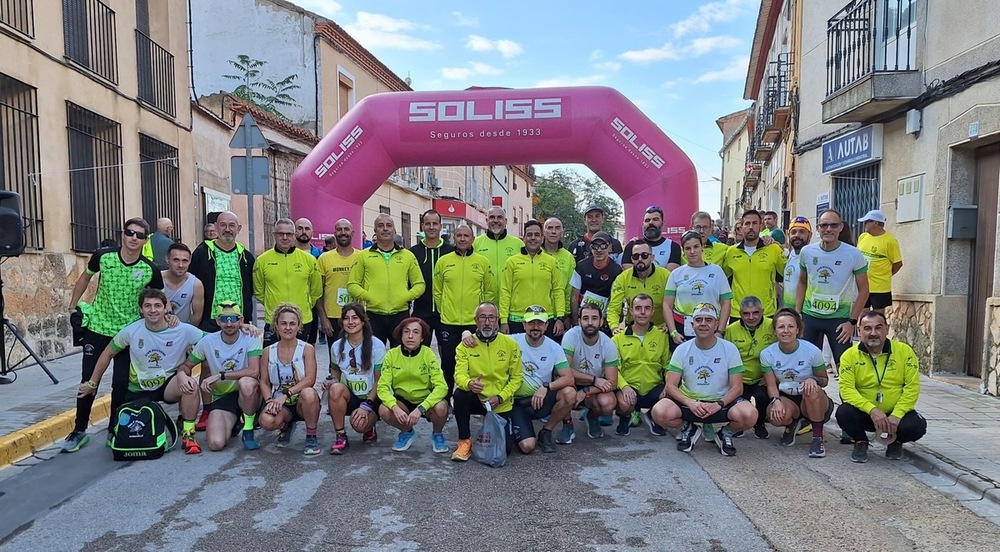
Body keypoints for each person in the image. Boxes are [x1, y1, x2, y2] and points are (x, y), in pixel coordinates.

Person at [63, 217, 165, 453]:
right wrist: (72, 306)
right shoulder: (104, 256)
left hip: (128, 334)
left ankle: (114, 429)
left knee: (121, 383)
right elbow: (85, 277)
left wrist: (164, 317)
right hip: (98, 328)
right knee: (88, 379)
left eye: (140, 235)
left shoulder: (149, 269)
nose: (134, 238)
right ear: (123, 234)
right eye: (130, 233)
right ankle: (79, 430)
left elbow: (157, 298)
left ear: (145, 240)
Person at [77, 289, 204, 454]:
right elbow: (107, 354)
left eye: (158, 305)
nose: (153, 310)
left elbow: (212, 341)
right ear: (140, 309)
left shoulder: (182, 329)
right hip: (138, 388)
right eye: (148, 306)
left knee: (190, 385)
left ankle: (188, 434)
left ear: (166, 308)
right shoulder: (131, 331)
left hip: (167, 385)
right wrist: (92, 384)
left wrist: (243, 330)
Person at [650, 303, 758, 456]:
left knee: (749, 415)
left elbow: (737, 387)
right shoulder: (682, 349)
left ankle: (724, 434)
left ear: (716, 324)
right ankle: (689, 429)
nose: (703, 324)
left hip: (720, 403)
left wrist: (718, 404)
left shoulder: (729, 349)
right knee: (659, 411)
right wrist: (690, 403)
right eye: (699, 320)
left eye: (708, 320)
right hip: (690, 403)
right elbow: (671, 386)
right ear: (692, 324)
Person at [836, 311, 926, 463]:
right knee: (843, 413)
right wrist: (872, 410)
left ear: (887, 329)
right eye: (867, 328)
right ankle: (860, 441)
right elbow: (847, 390)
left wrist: (897, 415)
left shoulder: (905, 352)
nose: (873, 333)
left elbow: (912, 387)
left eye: (878, 328)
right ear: (859, 331)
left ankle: (896, 441)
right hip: (866, 413)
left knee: (917, 426)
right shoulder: (849, 356)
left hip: (895, 415)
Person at [179, 301, 263, 451]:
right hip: (224, 397)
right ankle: (234, 423)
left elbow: (254, 371)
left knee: (246, 383)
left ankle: (248, 429)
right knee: (215, 444)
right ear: (218, 321)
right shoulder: (207, 342)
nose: (229, 323)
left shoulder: (251, 337)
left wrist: (220, 375)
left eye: (233, 318)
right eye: (224, 319)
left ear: (241, 320)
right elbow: (187, 365)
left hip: (249, 395)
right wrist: (183, 375)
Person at [795, 209, 870, 374]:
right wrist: (797, 312)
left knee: (845, 367)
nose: (828, 229)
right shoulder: (807, 252)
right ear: (818, 228)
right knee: (807, 367)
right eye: (824, 225)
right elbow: (801, 282)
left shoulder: (853, 254)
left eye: (833, 225)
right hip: (810, 317)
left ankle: (847, 400)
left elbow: (864, 290)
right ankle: (812, 400)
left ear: (841, 227)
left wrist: (852, 322)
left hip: (839, 320)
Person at [451, 302, 523, 462]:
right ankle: (464, 441)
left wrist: (500, 397)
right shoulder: (465, 346)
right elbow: (459, 375)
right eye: (483, 317)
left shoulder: (510, 344)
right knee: (460, 394)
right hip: (477, 398)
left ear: (497, 320)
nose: (487, 322)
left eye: (491, 317)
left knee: (505, 450)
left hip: (500, 401)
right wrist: (469, 383)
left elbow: (517, 378)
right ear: (476, 320)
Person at [760, 308, 834, 458]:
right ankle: (792, 424)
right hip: (788, 396)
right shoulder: (767, 354)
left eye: (790, 326)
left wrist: (813, 379)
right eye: (781, 327)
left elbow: (825, 380)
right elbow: (771, 385)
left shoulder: (812, 351)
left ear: (798, 329)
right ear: (775, 331)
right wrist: (775, 401)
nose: (786, 331)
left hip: (813, 398)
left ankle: (817, 437)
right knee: (775, 416)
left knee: (811, 390)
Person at [433, 223, 494, 399]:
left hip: (473, 322)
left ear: (472, 239)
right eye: (459, 235)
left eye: (466, 236)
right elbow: (437, 291)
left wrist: (482, 317)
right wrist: (443, 310)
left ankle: (476, 399)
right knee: (448, 364)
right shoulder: (443, 261)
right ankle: (446, 400)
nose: (462, 239)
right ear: (454, 237)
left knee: (475, 363)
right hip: (449, 322)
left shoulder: (482, 262)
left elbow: (489, 291)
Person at [347, 214, 425, 347]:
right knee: (373, 357)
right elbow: (352, 285)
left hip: (401, 315)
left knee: (401, 355)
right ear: (375, 230)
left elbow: (420, 284)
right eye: (380, 226)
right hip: (373, 315)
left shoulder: (408, 256)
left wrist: (405, 297)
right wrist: (369, 296)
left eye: (389, 226)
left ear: (394, 230)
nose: (385, 229)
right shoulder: (363, 256)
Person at [506, 306, 576, 454]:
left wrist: (547, 386)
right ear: (524, 325)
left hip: (541, 400)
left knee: (569, 393)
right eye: (531, 323)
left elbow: (568, 378)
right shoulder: (511, 341)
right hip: (517, 403)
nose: (535, 327)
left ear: (546, 326)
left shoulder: (554, 347)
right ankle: (515, 428)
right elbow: (487, 337)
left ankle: (546, 431)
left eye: (540, 323)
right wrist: (466, 333)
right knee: (527, 447)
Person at [376, 317, 450, 453]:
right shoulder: (391, 355)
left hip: (425, 400)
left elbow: (442, 386)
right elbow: (382, 387)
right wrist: (394, 407)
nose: (410, 336)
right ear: (401, 335)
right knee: (384, 410)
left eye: (416, 332)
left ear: (422, 338)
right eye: (406, 332)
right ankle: (407, 432)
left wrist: (421, 408)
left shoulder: (428, 354)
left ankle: (437, 434)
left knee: (441, 407)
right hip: (402, 401)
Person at [258, 304, 322, 455]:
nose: (288, 327)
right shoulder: (268, 351)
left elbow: (310, 379)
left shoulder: (306, 349)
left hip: (301, 401)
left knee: (309, 393)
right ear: (276, 325)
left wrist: (286, 395)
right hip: (280, 404)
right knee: (266, 421)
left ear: (299, 326)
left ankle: (311, 435)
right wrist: (269, 401)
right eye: (283, 323)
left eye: (292, 323)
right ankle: (286, 425)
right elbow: (264, 381)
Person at [325, 303, 385, 453]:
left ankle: (370, 427)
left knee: (359, 425)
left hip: (370, 398)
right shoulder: (337, 346)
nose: (350, 322)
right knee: (335, 389)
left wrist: (367, 404)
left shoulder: (377, 345)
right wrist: (331, 382)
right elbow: (336, 371)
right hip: (350, 396)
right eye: (346, 318)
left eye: (355, 318)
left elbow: (380, 380)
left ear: (363, 321)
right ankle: (341, 436)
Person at [254, 219, 323, 346]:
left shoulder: (309, 260)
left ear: (294, 235)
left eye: (289, 234)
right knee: (272, 361)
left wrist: (306, 303)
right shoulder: (262, 260)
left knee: (301, 361)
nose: (285, 237)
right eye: (281, 234)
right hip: (274, 321)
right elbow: (258, 290)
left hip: (303, 320)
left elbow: (316, 289)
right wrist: (271, 303)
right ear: (274, 235)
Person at [612, 294, 670, 437]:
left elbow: (668, 365)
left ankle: (653, 415)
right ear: (631, 311)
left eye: (647, 308)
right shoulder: (618, 338)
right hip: (630, 388)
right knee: (624, 404)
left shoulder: (662, 336)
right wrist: (624, 386)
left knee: (671, 395)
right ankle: (625, 417)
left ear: (653, 312)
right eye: (638, 308)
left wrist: (669, 385)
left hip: (654, 387)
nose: (642, 312)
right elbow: (613, 369)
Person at [560, 302, 619, 441]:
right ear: (579, 321)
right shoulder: (571, 336)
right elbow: (563, 370)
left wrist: (586, 390)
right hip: (572, 382)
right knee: (565, 389)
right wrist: (594, 380)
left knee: (608, 403)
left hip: (593, 388)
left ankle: (592, 416)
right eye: (585, 318)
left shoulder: (608, 344)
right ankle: (567, 424)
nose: (590, 322)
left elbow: (613, 382)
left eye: (594, 318)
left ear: (601, 321)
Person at [189, 211, 255, 333]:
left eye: (232, 225)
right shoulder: (201, 253)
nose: (227, 229)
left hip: (238, 321)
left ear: (238, 228)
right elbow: (190, 282)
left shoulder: (247, 258)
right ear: (216, 227)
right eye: (223, 225)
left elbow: (251, 288)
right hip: (209, 321)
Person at [499, 220, 566, 337]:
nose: (533, 238)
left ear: (542, 237)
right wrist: (503, 320)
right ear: (524, 238)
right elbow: (505, 291)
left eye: (536, 235)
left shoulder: (551, 262)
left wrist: (560, 317)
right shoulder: (512, 262)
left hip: (545, 318)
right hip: (517, 319)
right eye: (529, 235)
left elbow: (558, 290)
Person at [665, 231, 733, 343]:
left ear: (702, 247)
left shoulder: (717, 271)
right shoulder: (676, 274)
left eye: (696, 246)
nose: (692, 252)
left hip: (710, 327)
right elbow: (667, 305)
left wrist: (720, 331)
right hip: (682, 328)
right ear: (683, 251)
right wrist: (673, 332)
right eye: (687, 248)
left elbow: (726, 302)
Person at [723, 296, 776, 439]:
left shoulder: (773, 326)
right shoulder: (730, 330)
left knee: (763, 395)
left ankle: (760, 423)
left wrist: (771, 377)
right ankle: (739, 423)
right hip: (740, 378)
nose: (751, 317)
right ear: (740, 314)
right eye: (746, 313)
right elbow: (724, 357)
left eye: (755, 313)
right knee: (737, 398)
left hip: (762, 376)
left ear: (762, 312)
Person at [723, 210, 786, 320]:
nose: (751, 227)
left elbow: (788, 274)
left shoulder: (773, 249)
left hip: (765, 312)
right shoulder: (731, 252)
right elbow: (722, 278)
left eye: (754, 223)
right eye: (747, 223)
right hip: (738, 312)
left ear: (761, 226)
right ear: (741, 227)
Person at [410, 210, 455, 350]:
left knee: (447, 356)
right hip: (421, 312)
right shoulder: (413, 252)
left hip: (446, 313)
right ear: (422, 226)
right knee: (419, 353)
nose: (431, 227)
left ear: (441, 226)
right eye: (427, 224)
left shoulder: (451, 251)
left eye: (435, 224)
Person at [607, 241, 670, 334]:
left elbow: (674, 305)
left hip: (660, 329)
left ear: (652, 257)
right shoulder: (622, 278)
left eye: (644, 255)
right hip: (633, 328)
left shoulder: (666, 276)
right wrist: (614, 327)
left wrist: (669, 325)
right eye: (636, 256)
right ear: (632, 259)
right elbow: (613, 307)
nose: (640, 259)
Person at [318, 219, 361, 346]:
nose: (343, 232)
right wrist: (323, 319)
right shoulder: (324, 258)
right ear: (334, 233)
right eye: (339, 229)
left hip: (357, 316)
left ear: (352, 233)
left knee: (358, 358)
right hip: (333, 317)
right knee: (336, 360)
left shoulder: (362, 257)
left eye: (346, 229)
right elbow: (318, 292)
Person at [569, 231, 623, 331]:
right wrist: (576, 322)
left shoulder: (616, 270)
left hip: (604, 318)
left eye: (603, 246)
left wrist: (613, 321)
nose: (599, 250)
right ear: (591, 248)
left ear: (610, 248)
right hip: (584, 317)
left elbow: (617, 299)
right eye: (595, 246)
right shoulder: (581, 266)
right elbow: (574, 297)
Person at [856, 210, 903, 313]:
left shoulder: (890, 241)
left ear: (875, 223)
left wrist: (886, 274)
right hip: (862, 284)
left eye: (867, 221)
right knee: (863, 314)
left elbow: (898, 263)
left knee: (878, 316)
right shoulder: (863, 237)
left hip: (880, 287)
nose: (864, 224)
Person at [473, 207, 525, 294]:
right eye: (492, 217)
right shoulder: (475, 244)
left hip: (510, 300)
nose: (496, 221)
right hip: (484, 302)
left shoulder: (519, 244)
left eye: (499, 217)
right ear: (487, 220)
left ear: (506, 221)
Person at [542, 217, 576, 336]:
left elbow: (570, 290)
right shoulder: (535, 255)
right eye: (549, 228)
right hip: (538, 314)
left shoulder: (568, 257)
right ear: (544, 231)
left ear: (562, 232)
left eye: (557, 228)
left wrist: (565, 316)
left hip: (559, 318)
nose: (553, 231)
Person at [621, 205, 681, 271]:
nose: (651, 222)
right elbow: (629, 274)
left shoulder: (673, 247)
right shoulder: (631, 246)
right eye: (647, 220)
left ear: (662, 223)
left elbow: (670, 275)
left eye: (655, 219)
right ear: (643, 224)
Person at [782, 217, 812, 309]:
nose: (797, 235)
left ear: (810, 235)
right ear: (788, 235)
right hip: (788, 310)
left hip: (804, 312)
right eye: (793, 232)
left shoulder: (812, 257)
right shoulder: (790, 254)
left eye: (802, 232)